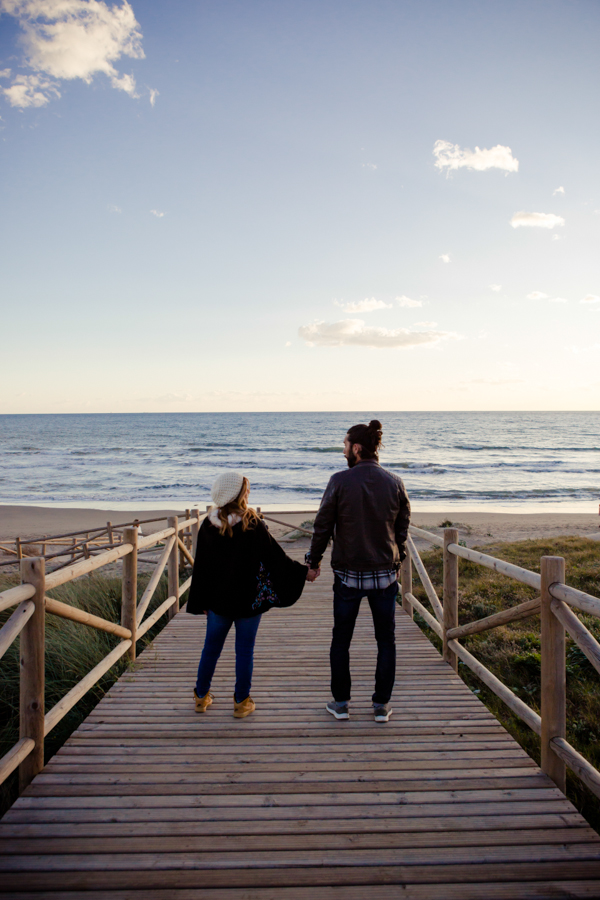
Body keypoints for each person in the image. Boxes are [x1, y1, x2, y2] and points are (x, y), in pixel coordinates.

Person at [305, 420, 411, 723]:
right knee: (386, 641)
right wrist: (398, 558)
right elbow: (402, 528)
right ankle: (380, 706)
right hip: (384, 576)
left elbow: (322, 526)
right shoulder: (395, 481)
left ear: (356, 447)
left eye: (344, 445)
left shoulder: (339, 481)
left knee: (341, 640)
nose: (342, 451)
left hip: (348, 576)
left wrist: (313, 564)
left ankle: (340, 704)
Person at [187, 471, 312, 718]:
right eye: (247, 488)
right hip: (249, 601)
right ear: (238, 493)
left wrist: (200, 600)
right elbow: (276, 558)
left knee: (210, 649)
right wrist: (302, 573)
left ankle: (201, 698)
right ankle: (241, 703)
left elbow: (201, 566)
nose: (249, 492)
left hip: (217, 602)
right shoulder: (252, 523)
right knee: (244, 651)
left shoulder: (208, 524)